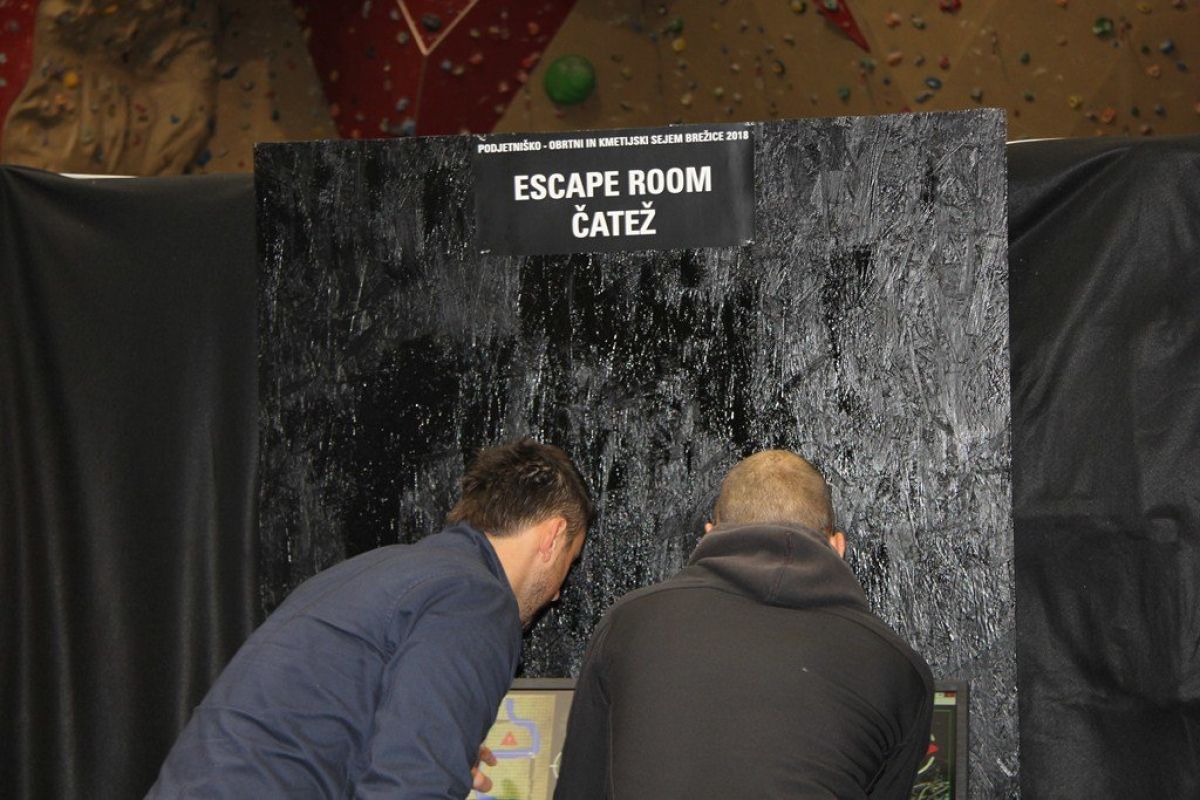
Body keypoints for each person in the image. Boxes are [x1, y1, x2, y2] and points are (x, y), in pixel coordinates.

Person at [148, 438, 591, 798]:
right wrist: (432, 768)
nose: (557, 593)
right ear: (553, 536)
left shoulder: (377, 571)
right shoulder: (478, 599)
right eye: (568, 564)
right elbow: (410, 786)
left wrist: (447, 754)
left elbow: (334, 731)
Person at [554, 450, 933, 799]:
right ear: (837, 547)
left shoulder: (628, 625)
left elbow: (579, 788)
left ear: (709, 533)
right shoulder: (898, 670)